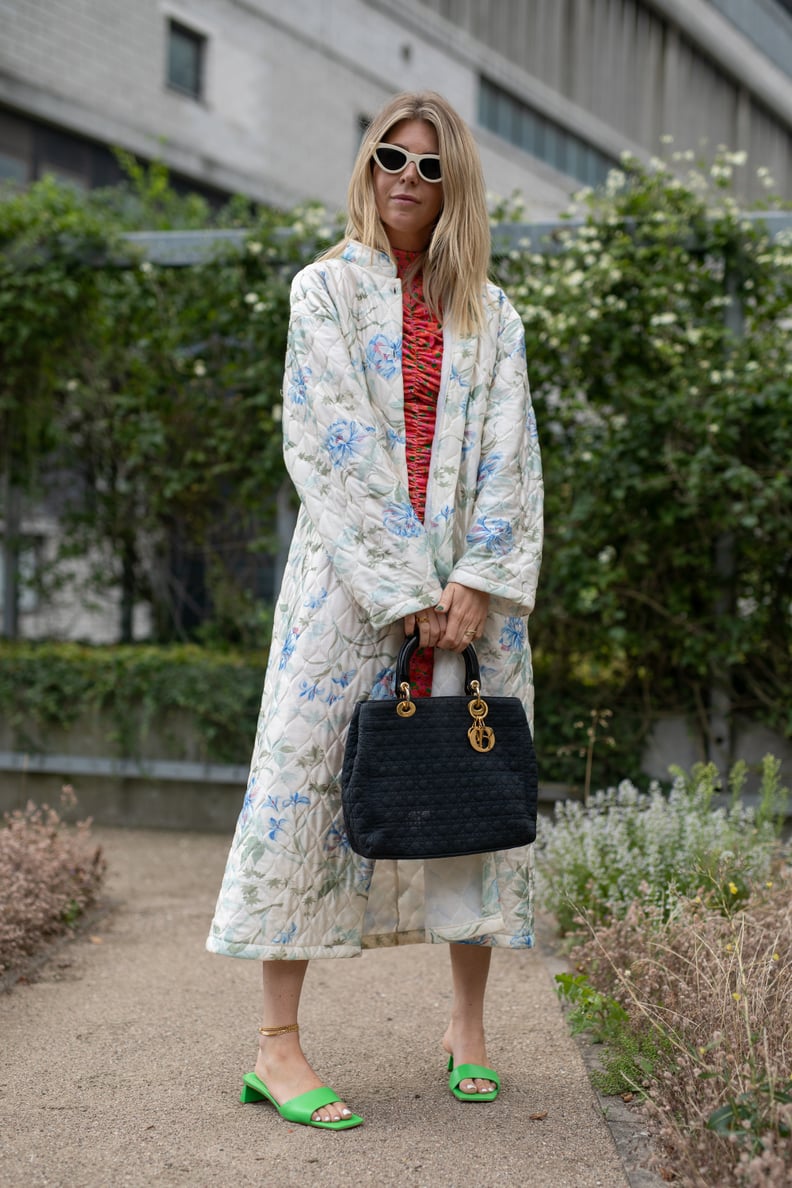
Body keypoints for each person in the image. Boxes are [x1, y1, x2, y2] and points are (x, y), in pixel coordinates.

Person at [207, 90, 543, 1130]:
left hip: (473, 606)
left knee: (473, 796)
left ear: (457, 187)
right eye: (391, 156)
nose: (406, 175)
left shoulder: (494, 311)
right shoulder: (324, 291)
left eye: (430, 166)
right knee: (302, 793)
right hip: (349, 594)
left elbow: (511, 457)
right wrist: (404, 590)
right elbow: (328, 442)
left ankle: (469, 1027)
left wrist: (478, 582)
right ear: (368, 164)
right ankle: (277, 1047)